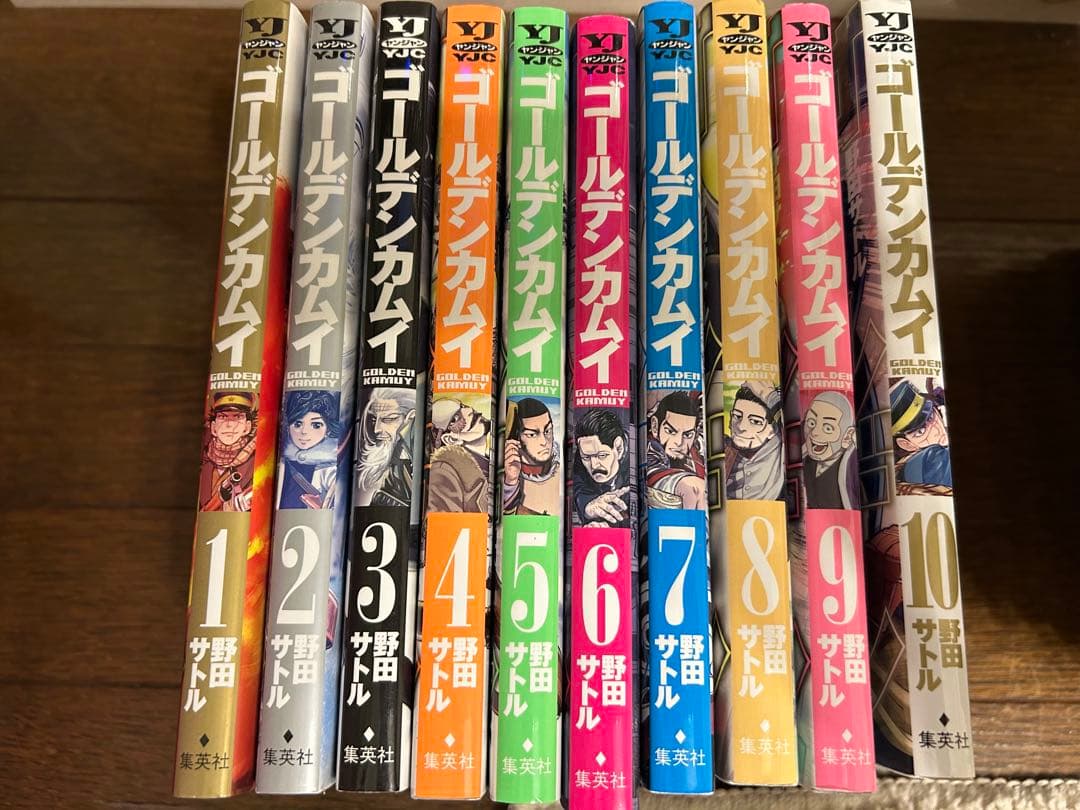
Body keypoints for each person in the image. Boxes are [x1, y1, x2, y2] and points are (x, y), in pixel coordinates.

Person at [277, 390, 342, 510]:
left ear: (328, 429)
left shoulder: (331, 469)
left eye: (316, 425)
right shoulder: (281, 460)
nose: (304, 431)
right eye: (297, 424)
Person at [427, 397, 492, 513]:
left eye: (463, 406)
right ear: (450, 439)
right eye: (455, 418)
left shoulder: (492, 463)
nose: (469, 410)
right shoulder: (444, 473)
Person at [645, 391, 706, 510]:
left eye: (687, 435)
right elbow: (652, 468)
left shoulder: (696, 447)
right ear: (655, 427)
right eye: (670, 431)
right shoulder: (650, 446)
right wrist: (685, 484)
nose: (679, 442)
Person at [355, 388, 416, 508]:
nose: (376, 429)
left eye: (388, 419)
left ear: (410, 417)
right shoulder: (394, 460)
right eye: (374, 419)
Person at [724, 381, 784, 501]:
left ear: (772, 429)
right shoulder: (722, 447)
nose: (741, 427)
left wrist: (769, 395)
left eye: (755, 421)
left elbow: (793, 429)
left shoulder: (779, 448)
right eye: (737, 416)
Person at [199, 391, 257, 512]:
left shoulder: (256, 462)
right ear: (213, 427)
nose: (230, 424)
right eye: (222, 417)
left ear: (247, 427)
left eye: (238, 417)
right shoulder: (204, 460)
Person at [573, 408, 631, 528]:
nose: (594, 465)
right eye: (586, 457)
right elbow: (578, 488)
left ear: (618, 448)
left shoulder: (634, 459)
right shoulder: (582, 453)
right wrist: (588, 506)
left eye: (602, 456)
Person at [890, 379, 952, 490]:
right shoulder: (929, 461)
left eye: (932, 416)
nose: (937, 430)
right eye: (921, 432)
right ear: (906, 444)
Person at [503, 398, 560, 516]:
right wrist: (511, 482)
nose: (544, 441)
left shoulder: (560, 471)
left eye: (547, 431)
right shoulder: (508, 475)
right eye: (532, 434)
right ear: (517, 438)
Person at [802, 390, 859, 509]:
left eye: (828, 428)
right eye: (811, 423)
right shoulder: (801, 462)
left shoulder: (852, 470)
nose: (814, 432)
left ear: (847, 436)